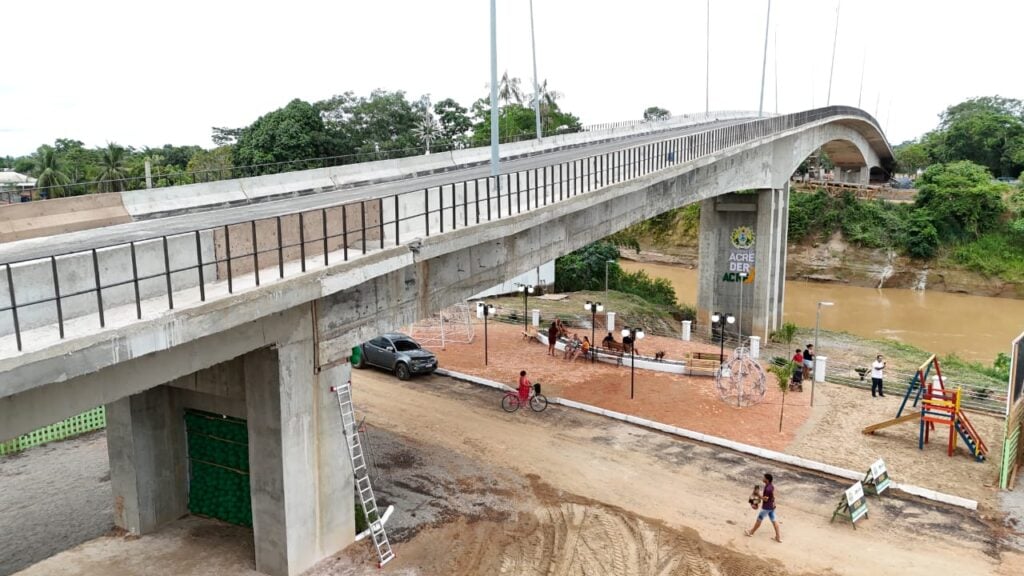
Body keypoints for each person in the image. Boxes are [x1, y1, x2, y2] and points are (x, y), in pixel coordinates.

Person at [745, 473, 781, 542]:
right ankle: (778, 537)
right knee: (774, 521)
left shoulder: (768, 489)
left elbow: (765, 499)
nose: (763, 478)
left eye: (764, 478)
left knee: (759, 520)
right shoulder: (770, 486)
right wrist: (774, 503)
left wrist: (758, 494)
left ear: (767, 479)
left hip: (766, 508)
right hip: (771, 507)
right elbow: (772, 496)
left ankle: (751, 532)